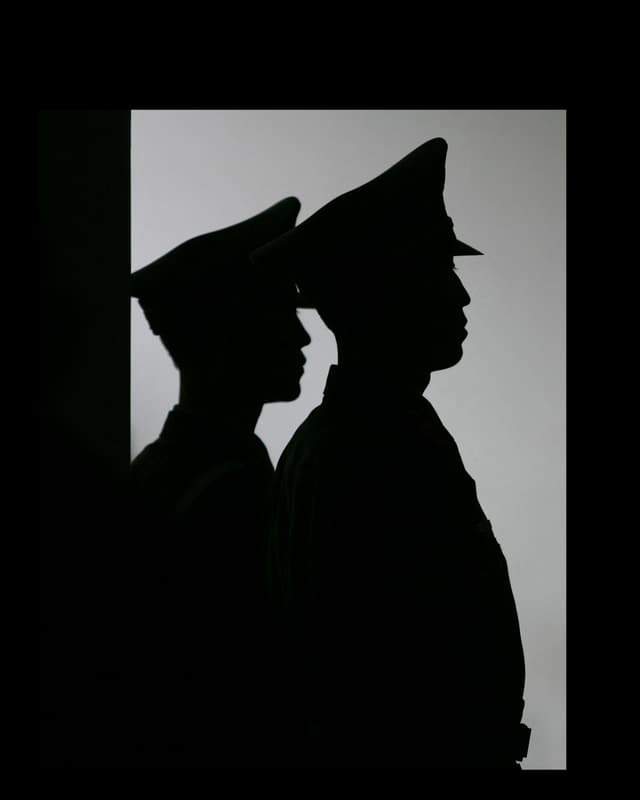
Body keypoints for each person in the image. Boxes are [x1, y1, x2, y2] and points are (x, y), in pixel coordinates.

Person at [251, 140, 531, 768]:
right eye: (437, 273)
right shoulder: (367, 450)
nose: (461, 297)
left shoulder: (379, 433)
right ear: (380, 293)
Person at [126, 198, 311, 767]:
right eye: (282, 314)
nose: (303, 338)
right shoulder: (222, 494)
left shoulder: (166, 473)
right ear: (231, 335)